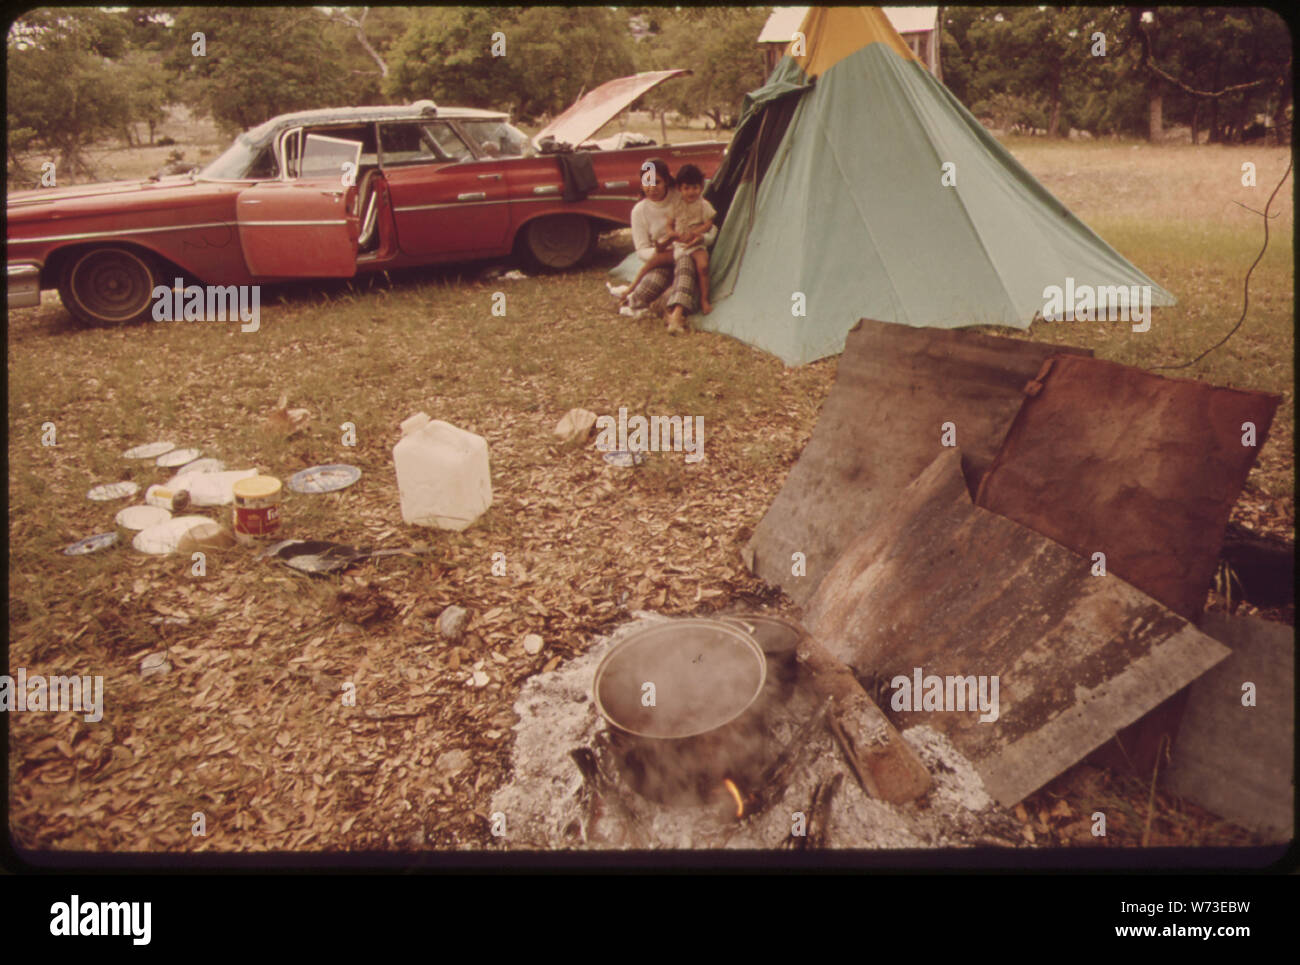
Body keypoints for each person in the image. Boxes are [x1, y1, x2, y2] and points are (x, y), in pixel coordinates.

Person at [609, 159, 716, 335]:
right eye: (647, 182)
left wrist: (700, 238)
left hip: (686, 251)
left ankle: (675, 315)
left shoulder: (682, 194)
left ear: (666, 180)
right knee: (648, 288)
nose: (652, 187)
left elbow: (708, 224)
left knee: (685, 267)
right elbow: (642, 250)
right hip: (662, 256)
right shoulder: (639, 211)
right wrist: (665, 251)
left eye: (656, 182)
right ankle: (631, 301)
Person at [667, 163, 715, 315]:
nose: (691, 192)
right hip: (680, 245)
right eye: (686, 188)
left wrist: (696, 232)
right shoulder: (676, 205)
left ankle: (704, 299)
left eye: (695, 187)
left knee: (703, 266)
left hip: (696, 244)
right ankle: (677, 301)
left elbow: (709, 223)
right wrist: (672, 234)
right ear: (680, 188)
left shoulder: (703, 204)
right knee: (683, 269)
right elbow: (669, 225)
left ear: (701, 187)